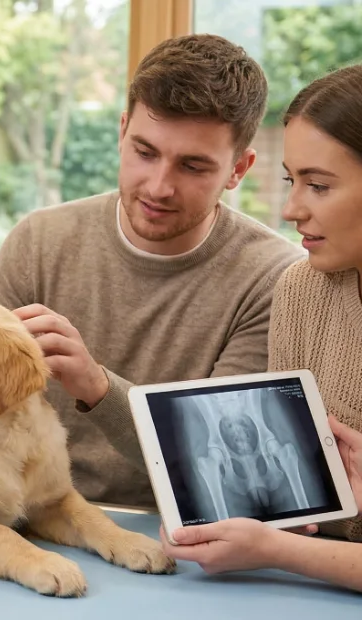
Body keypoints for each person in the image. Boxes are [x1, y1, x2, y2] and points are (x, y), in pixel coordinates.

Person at [0, 34, 305, 509]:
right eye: (144, 151)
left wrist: (96, 386)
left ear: (239, 169)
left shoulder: (275, 279)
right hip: (30, 516)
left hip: (181, 539)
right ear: (121, 132)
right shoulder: (37, 242)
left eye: (193, 166)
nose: (158, 187)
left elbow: (212, 460)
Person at [162, 63, 362, 592]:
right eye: (291, 181)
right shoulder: (303, 290)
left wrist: (276, 549)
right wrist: (224, 522)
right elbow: (308, 502)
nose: (292, 208)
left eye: (318, 185)